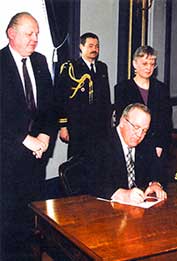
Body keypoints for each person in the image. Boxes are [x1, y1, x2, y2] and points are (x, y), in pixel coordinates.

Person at [0, 12, 55, 259]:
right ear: (11, 34)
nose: (34, 38)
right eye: (28, 33)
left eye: (36, 34)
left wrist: (45, 135)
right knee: (6, 222)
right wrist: (23, 138)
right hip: (6, 159)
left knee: (29, 220)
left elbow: (50, 107)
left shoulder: (41, 62)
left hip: (35, 159)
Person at [88, 103, 167, 203]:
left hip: (138, 210)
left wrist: (155, 183)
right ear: (122, 121)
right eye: (136, 127)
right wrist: (120, 194)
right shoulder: (100, 143)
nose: (139, 135)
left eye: (144, 130)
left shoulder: (146, 142)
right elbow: (90, 181)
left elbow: (159, 169)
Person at [114, 46, 172, 179]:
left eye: (152, 64)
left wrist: (160, 145)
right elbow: (121, 121)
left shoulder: (162, 89)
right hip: (133, 147)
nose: (148, 68)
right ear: (135, 64)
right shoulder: (122, 88)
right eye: (144, 63)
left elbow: (166, 121)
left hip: (156, 148)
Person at [55, 32, 111, 158]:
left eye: (97, 46)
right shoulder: (71, 68)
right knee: (77, 163)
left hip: (100, 127)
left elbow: (106, 99)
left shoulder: (102, 68)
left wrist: (109, 125)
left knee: (99, 162)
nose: (94, 49)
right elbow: (61, 98)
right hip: (78, 127)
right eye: (90, 46)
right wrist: (63, 126)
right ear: (81, 47)